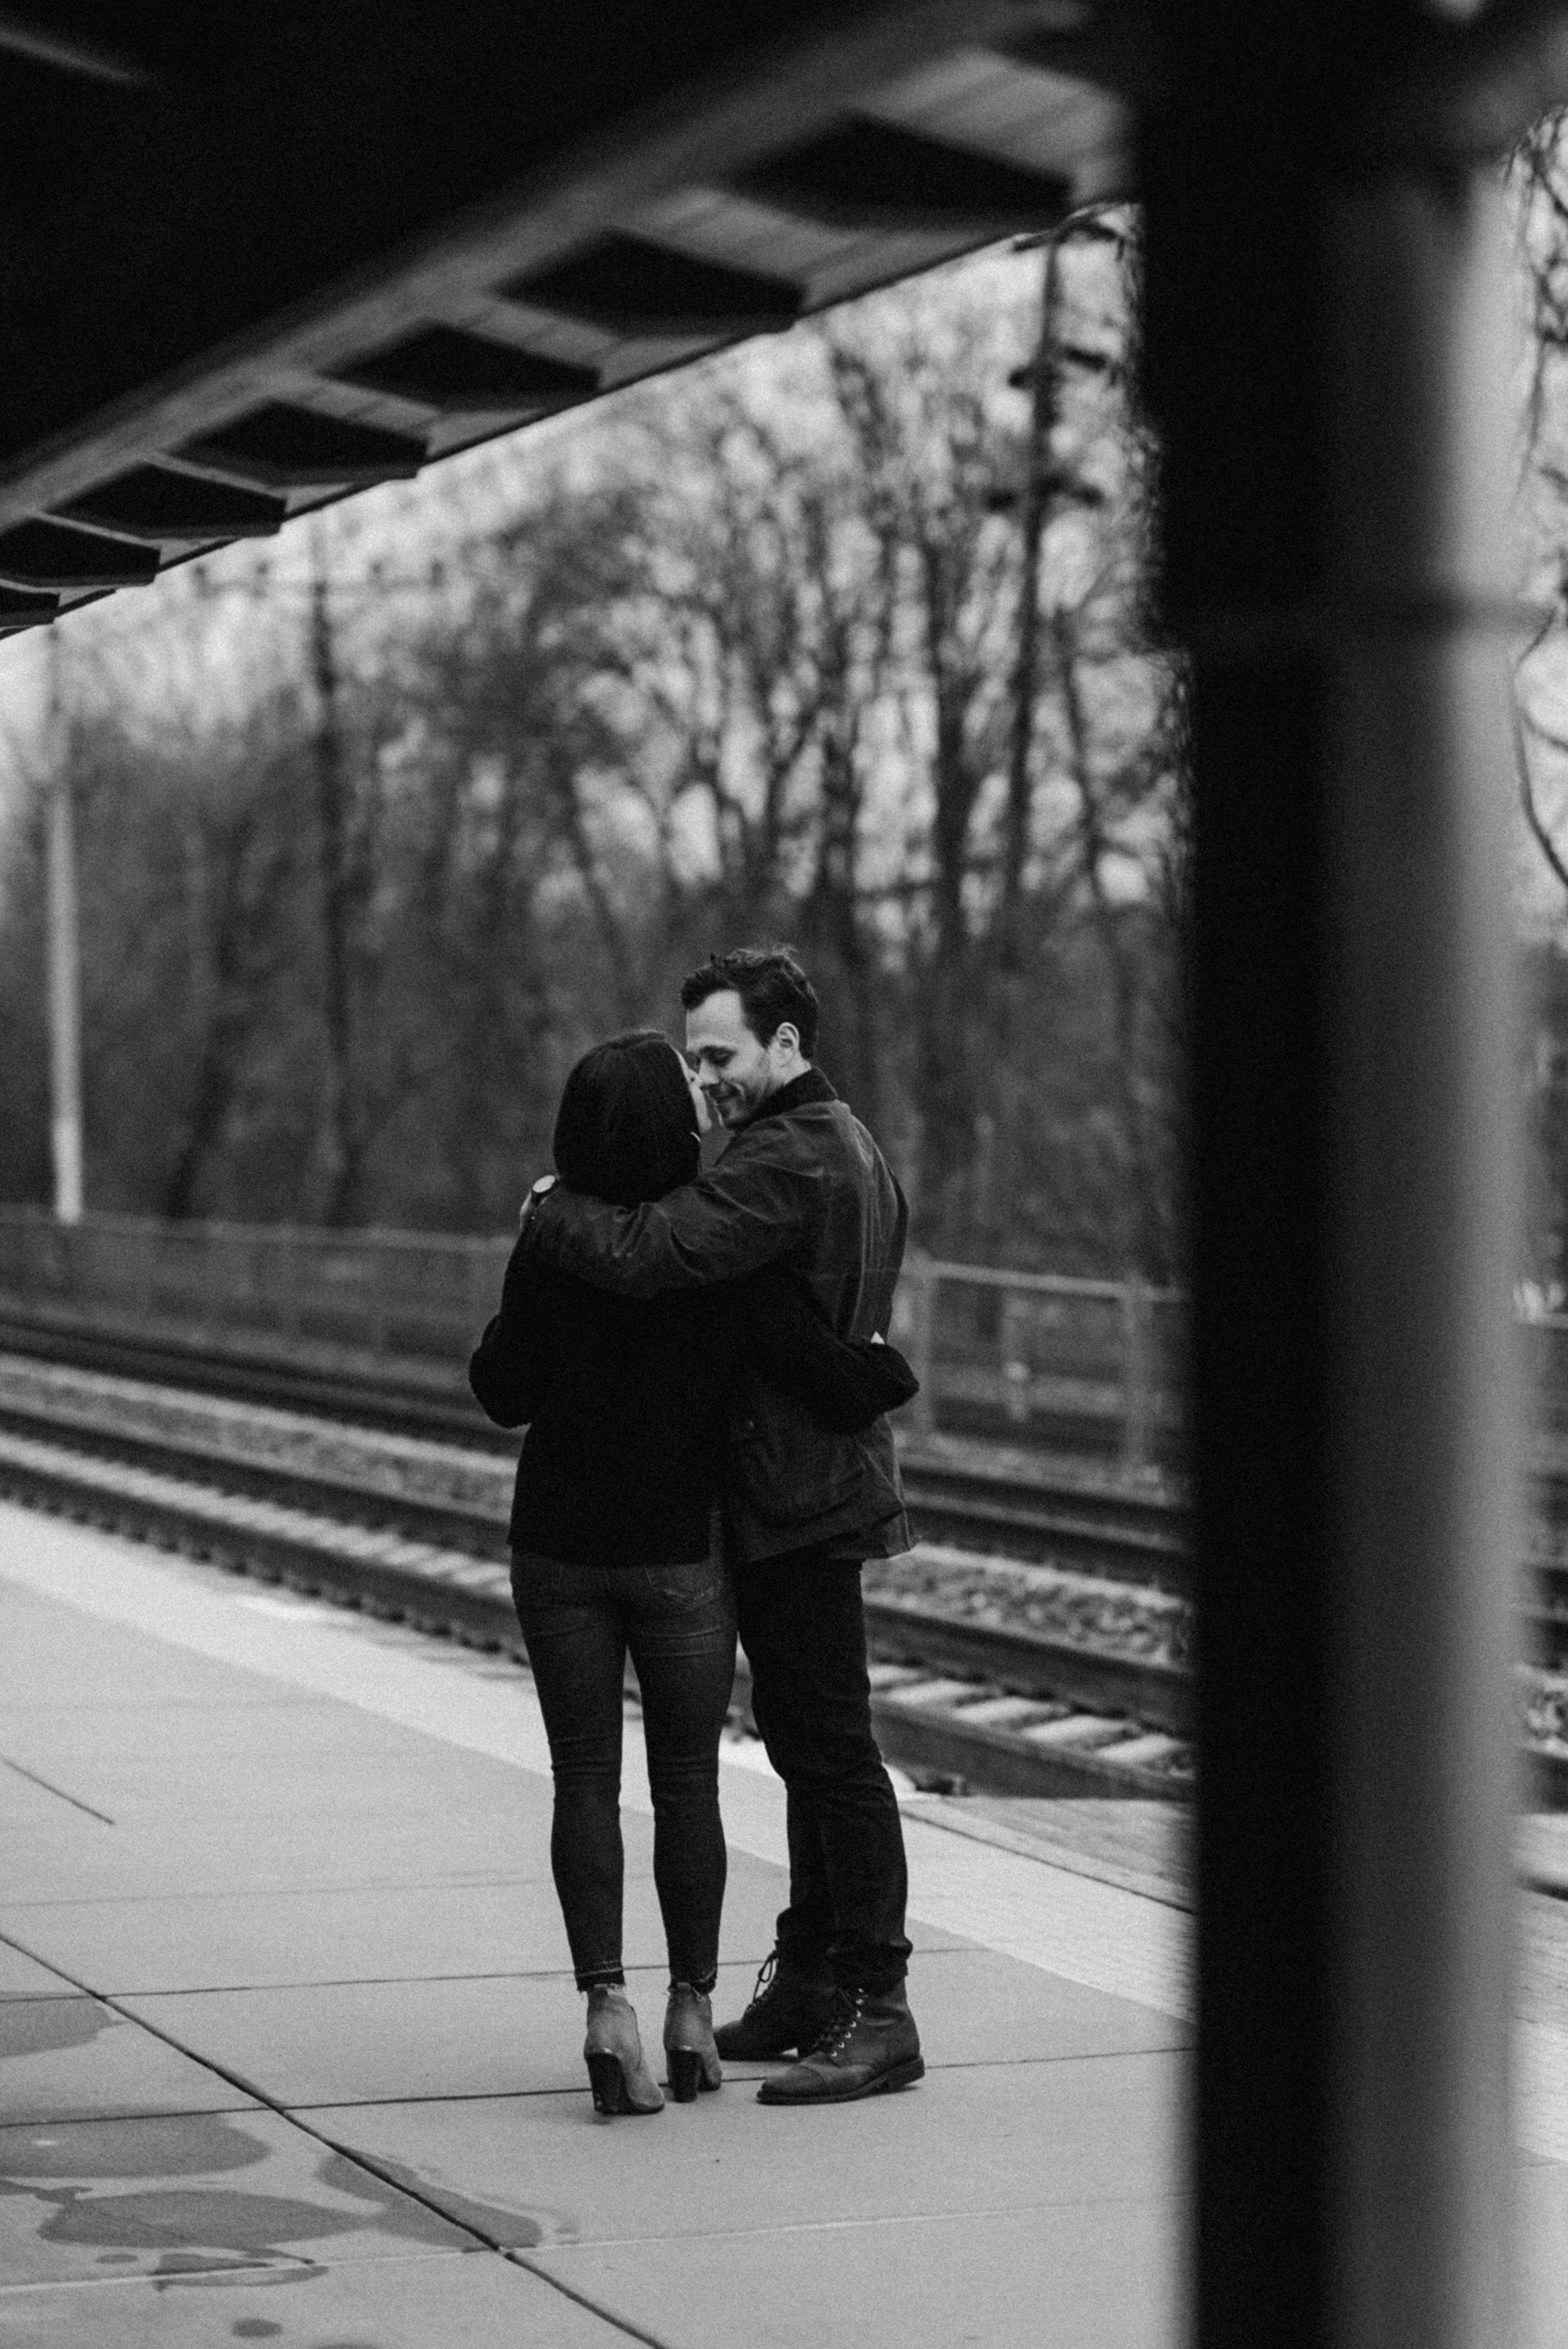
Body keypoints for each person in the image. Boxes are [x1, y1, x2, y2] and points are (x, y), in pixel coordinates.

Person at [470, 1026, 915, 2120]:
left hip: (559, 1550)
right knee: (685, 1783)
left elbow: (501, 1388)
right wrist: (882, 1368)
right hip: (678, 1560)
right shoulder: (718, 1262)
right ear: (673, 1128)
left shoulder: (551, 1241)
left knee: (583, 1778)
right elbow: (826, 1376)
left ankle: (604, 2012)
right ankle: (687, 2014)